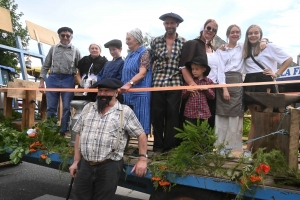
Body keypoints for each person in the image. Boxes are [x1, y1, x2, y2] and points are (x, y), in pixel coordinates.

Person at [69, 78, 148, 200]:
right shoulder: (88, 108)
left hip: (109, 166)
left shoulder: (125, 112)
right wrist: (76, 161)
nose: (102, 94)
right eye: (100, 91)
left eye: (107, 91)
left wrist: (142, 159)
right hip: (85, 165)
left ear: (116, 93)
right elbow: (79, 133)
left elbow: (141, 134)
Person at [242, 24, 292, 159]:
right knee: (254, 119)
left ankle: (262, 151)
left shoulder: (269, 46)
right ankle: (248, 150)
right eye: (250, 33)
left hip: (264, 81)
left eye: (256, 33)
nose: (253, 35)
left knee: (264, 117)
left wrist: (277, 73)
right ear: (247, 35)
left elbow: (289, 59)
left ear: (260, 35)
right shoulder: (245, 48)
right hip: (249, 81)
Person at [151, 12, 186, 152]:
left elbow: (185, 65)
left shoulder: (184, 42)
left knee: (173, 116)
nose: (169, 25)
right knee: (158, 116)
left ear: (177, 24)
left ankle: (170, 148)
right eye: (167, 23)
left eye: (172, 23)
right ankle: (158, 147)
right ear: (164, 25)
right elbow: (150, 62)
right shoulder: (155, 41)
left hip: (176, 82)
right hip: (158, 83)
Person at [39, 27, 81, 137]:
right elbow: (45, 66)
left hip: (68, 79)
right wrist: (41, 82)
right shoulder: (53, 49)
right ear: (59, 36)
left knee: (67, 107)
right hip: (52, 78)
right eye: (63, 35)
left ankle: (64, 131)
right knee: (51, 107)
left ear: (71, 37)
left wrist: (81, 83)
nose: (65, 38)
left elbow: (80, 68)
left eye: (68, 36)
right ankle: (51, 131)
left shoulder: (75, 51)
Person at [180, 19, 218, 128]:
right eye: (208, 28)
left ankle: (205, 145)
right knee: (191, 123)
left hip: (211, 88)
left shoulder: (213, 49)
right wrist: (193, 85)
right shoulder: (192, 44)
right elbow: (183, 67)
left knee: (208, 124)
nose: (211, 31)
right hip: (195, 89)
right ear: (203, 28)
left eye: (214, 30)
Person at [120, 28, 152, 136]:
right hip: (128, 94)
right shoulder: (129, 55)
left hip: (140, 94)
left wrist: (129, 84)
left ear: (137, 40)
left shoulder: (145, 53)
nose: (126, 41)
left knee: (141, 121)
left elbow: (142, 73)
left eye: (129, 39)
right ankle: (125, 145)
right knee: (126, 121)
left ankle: (142, 150)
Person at [181, 56, 215, 125]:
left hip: (204, 113)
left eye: (197, 69)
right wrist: (188, 90)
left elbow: (212, 96)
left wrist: (206, 89)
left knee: (203, 134)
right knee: (190, 133)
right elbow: (183, 96)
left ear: (203, 69)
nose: (194, 71)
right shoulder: (189, 81)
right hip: (190, 113)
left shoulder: (208, 81)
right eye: (192, 69)